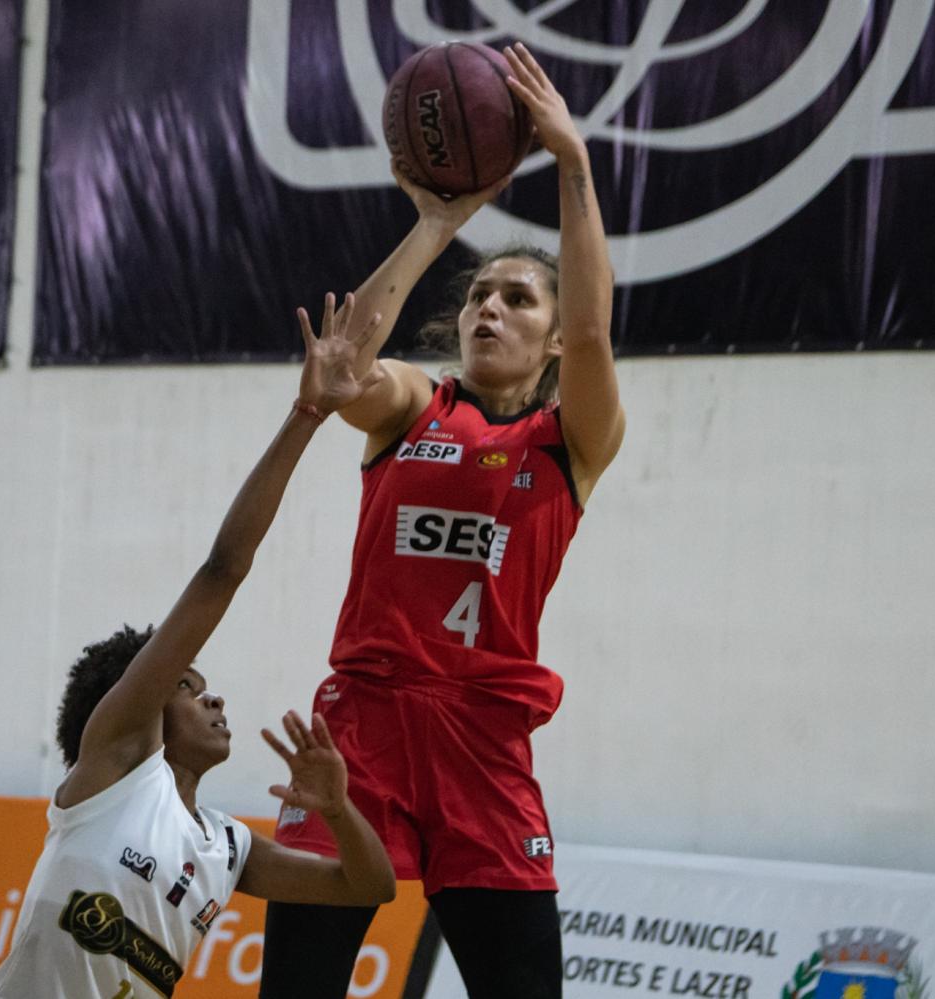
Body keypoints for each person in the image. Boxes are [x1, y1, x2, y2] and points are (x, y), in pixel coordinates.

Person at [261, 44, 625, 999]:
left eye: (518, 297)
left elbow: (595, 332)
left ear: (549, 341)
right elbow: (345, 367)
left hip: (483, 741)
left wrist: (575, 165)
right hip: (364, 727)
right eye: (477, 294)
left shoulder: (570, 439)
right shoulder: (420, 405)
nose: (489, 307)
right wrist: (437, 222)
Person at [0, 295, 397, 999]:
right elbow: (222, 571)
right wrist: (306, 417)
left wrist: (336, 809)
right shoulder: (116, 768)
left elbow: (370, 885)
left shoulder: (224, 847)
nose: (213, 696)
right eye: (188, 686)